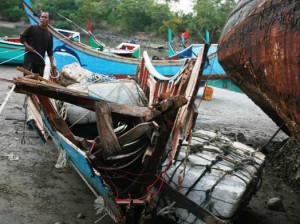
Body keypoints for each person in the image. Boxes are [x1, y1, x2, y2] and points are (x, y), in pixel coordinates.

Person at [20, 11, 56, 77]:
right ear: (39, 18)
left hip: (40, 60)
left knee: (38, 79)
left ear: (49, 20)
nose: (43, 18)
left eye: (45, 17)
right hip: (29, 58)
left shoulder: (49, 35)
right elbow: (22, 38)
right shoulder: (32, 28)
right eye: (42, 17)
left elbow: (50, 52)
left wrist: (52, 64)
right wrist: (27, 46)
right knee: (27, 77)